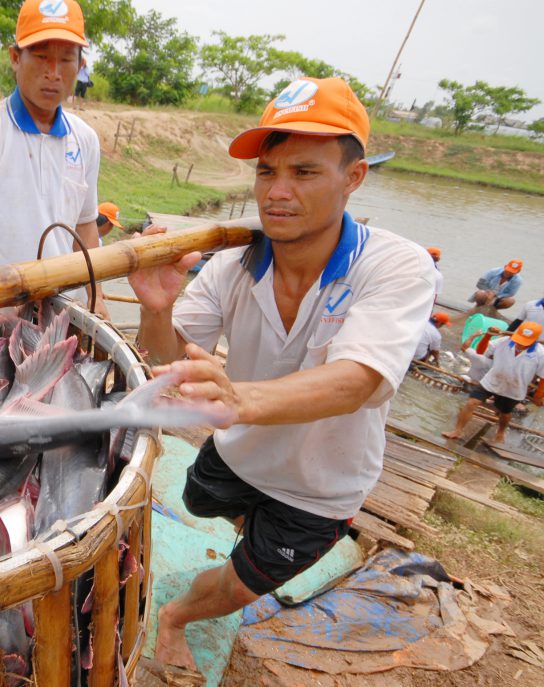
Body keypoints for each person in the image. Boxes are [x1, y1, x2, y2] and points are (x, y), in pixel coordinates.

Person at [127, 77, 436, 669]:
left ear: (354, 177)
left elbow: (358, 380)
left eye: (305, 172)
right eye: (267, 172)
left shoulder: (395, 266)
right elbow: (171, 357)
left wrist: (239, 399)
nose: (278, 192)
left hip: (319, 486)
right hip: (238, 451)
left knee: (241, 586)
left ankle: (175, 617)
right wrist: (157, 308)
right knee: (196, 498)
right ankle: (250, 527)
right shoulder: (232, 265)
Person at [0, 0, 105, 314]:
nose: (53, 73)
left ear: (80, 65)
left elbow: (86, 227)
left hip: (63, 313)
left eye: (65, 59)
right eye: (42, 57)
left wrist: (97, 299)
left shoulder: (85, 139)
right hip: (1, 313)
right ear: (15, 57)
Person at [442, 321, 544, 444]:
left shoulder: (540, 353)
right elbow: (480, 351)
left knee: (505, 413)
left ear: (534, 340)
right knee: (471, 403)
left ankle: (500, 433)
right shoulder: (504, 341)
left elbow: (543, 377)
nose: (520, 345)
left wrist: (539, 396)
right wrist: (488, 335)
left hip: (514, 388)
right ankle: (457, 431)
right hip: (491, 380)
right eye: (519, 340)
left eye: (525, 343)